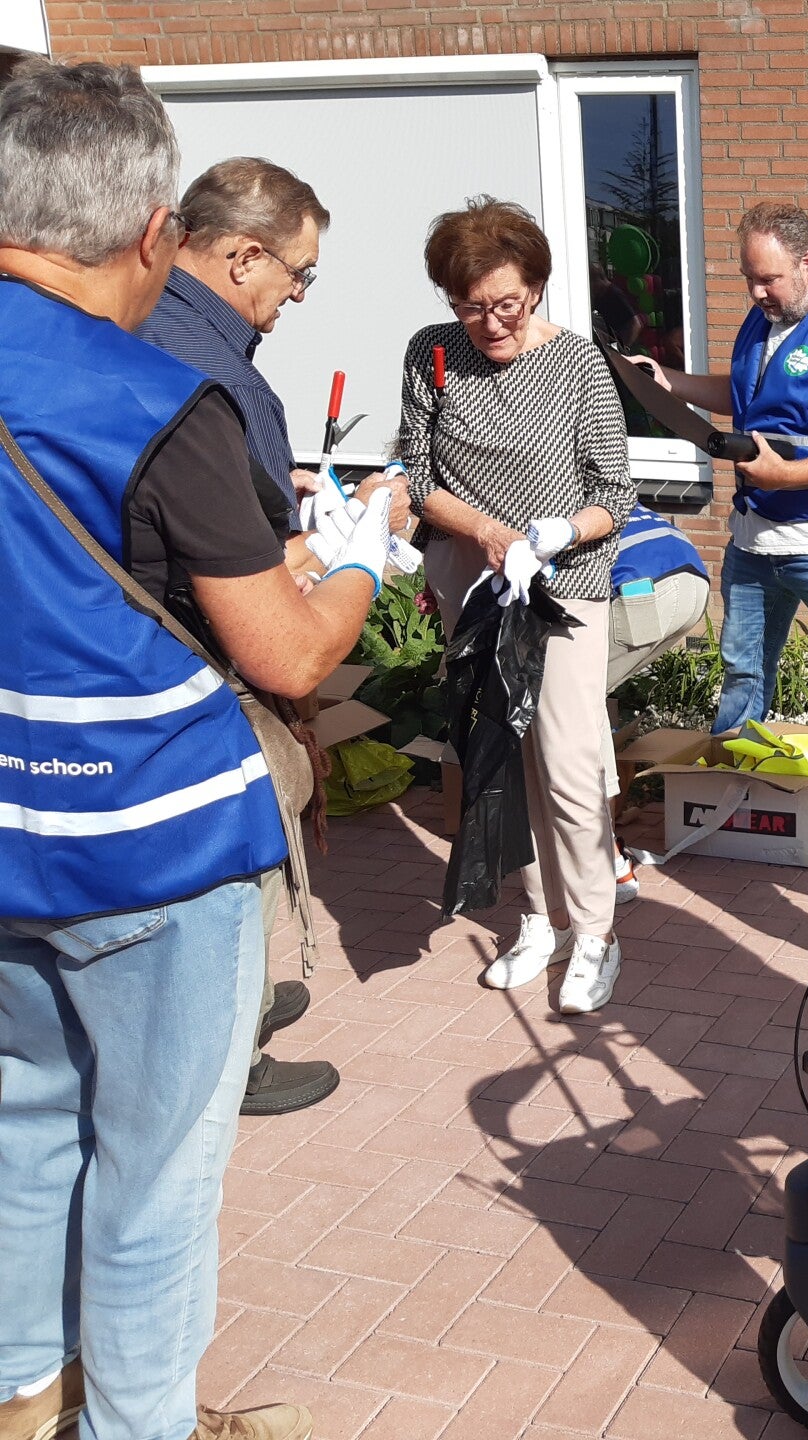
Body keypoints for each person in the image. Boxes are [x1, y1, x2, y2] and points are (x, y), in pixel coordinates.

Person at [0, 59, 390, 1440]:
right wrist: (364, 560)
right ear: (155, 231)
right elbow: (287, 653)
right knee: (154, 1182)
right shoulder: (156, 399)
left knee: (25, 1136)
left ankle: (25, 1403)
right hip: (152, 852)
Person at [136, 156, 366, 1117]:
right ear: (241, 257)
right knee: (238, 861)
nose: (299, 294)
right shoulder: (215, 377)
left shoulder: (126, 328)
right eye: (298, 273)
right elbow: (285, 627)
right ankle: (234, 1053)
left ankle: (248, 1009)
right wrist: (360, 550)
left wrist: (280, 490)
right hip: (204, 678)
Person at [397, 196, 637, 1015]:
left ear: (535, 287)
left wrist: (559, 530)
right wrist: (488, 533)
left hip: (563, 589)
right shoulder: (432, 352)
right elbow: (420, 477)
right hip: (475, 584)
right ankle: (543, 919)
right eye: (470, 306)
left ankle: (597, 933)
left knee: (567, 763)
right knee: (501, 758)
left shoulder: (577, 365)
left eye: (506, 304)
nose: (491, 323)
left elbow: (616, 492)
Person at [625, 202, 808, 850]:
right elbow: (743, 395)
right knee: (743, 671)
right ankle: (733, 788)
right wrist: (669, 382)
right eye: (748, 278)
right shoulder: (763, 322)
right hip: (754, 541)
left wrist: (785, 477)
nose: (756, 292)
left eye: (768, 279)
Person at [605, 501, 711, 902]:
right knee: (584, 701)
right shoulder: (576, 478)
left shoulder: (508, 495)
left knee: (568, 708)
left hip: (639, 590)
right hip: (690, 578)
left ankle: (606, 861)